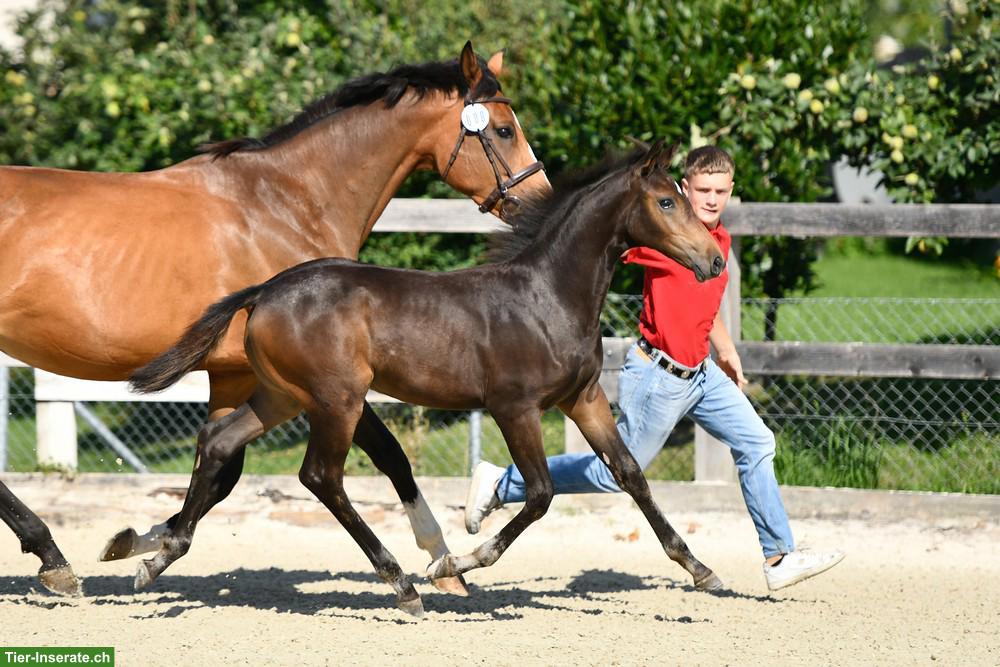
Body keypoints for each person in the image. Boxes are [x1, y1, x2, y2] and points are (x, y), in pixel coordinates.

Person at [465, 145, 843, 591]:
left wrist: (727, 351)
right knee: (614, 474)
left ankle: (778, 555)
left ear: (731, 190)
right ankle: (502, 481)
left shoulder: (715, 239)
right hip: (658, 377)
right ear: (684, 189)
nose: (711, 199)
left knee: (758, 440)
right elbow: (590, 235)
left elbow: (707, 303)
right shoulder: (660, 231)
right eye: (702, 190)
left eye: (720, 191)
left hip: (701, 373)